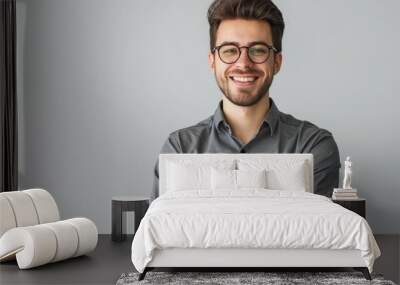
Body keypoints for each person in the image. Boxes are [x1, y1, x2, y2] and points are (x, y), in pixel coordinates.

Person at [150, 0, 340, 201]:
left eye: (257, 50)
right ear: (212, 61)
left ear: (276, 62)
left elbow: (317, 231)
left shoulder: (312, 146)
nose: (243, 63)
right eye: (229, 50)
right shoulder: (180, 149)